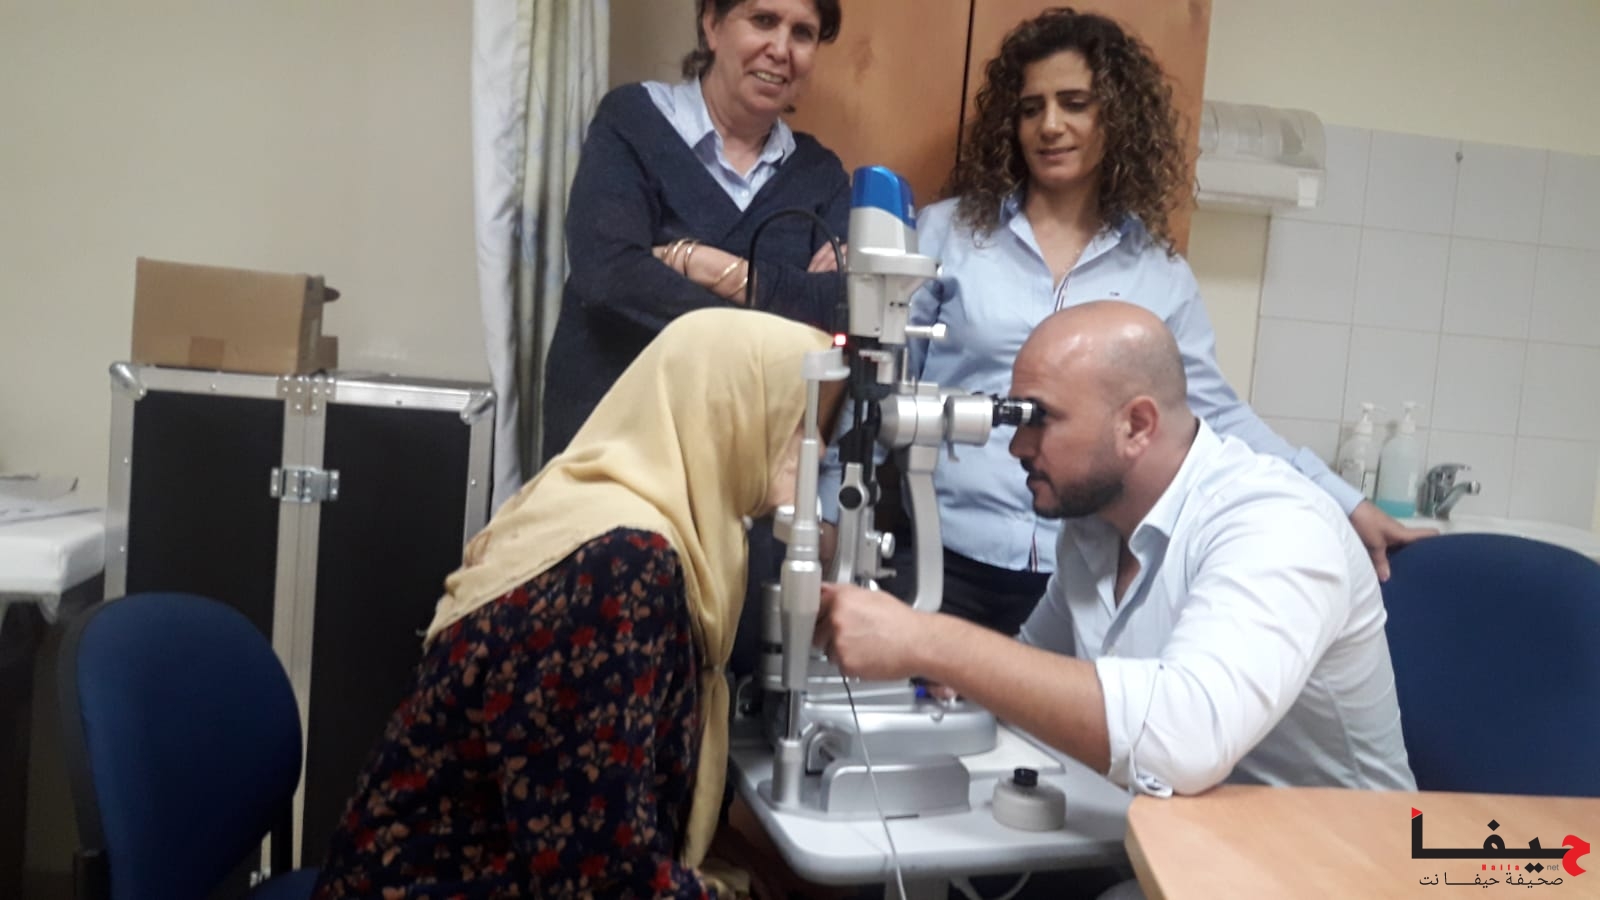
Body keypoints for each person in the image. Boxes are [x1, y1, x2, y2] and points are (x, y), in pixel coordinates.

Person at [894, 7, 1429, 635]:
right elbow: (881, 384)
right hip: (944, 559)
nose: (1050, 125)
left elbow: (1217, 415)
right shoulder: (947, 234)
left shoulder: (1159, 273)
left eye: (1075, 103)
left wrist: (1345, 501)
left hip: (1085, 571)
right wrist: (828, 512)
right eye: (1032, 108)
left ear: (1115, 117)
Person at [312, 309, 837, 898]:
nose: (815, 453)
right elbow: (596, 876)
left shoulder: (632, 515)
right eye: (799, 424)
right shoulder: (621, 564)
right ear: (729, 411)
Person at [817, 302, 1416, 804]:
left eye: (1040, 419)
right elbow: (1031, 677)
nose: (1018, 446)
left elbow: (1185, 741)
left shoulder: (1274, 523)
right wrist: (945, 679)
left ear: (1137, 426)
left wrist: (928, 641)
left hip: (1339, 862)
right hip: (1188, 841)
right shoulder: (1096, 530)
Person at [541, 0, 848, 463]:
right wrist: (776, 329)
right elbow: (609, 276)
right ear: (712, 25)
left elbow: (840, 306)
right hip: (613, 452)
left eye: (802, 33)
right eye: (764, 20)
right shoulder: (632, 122)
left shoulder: (820, 175)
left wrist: (702, 263)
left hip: (745, 466)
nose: (781, 48)